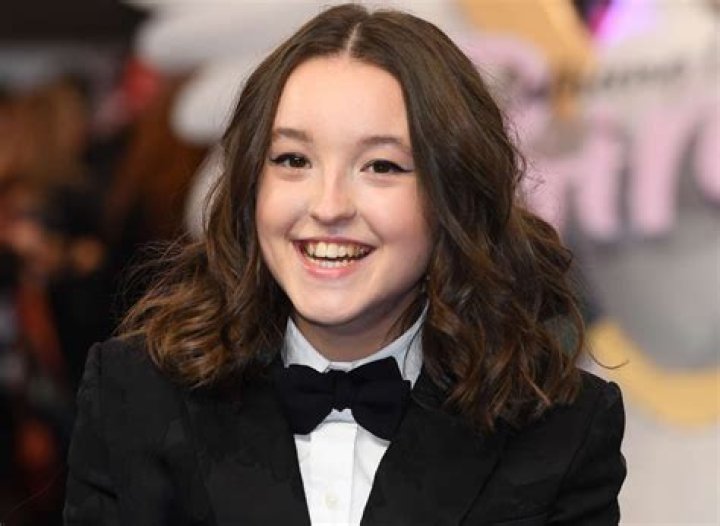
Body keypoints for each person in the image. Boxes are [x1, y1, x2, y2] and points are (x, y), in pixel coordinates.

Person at [64, 4, 626, 525]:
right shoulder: (133, 396)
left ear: (453, 198)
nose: (329, 207)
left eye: (381, 166)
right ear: (249, 186)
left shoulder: (560, 429)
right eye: (293, 160)